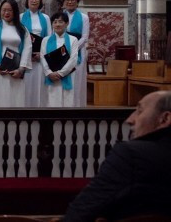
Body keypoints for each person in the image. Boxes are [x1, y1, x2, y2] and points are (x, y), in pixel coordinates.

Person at [64, 91, 171, 221]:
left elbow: (81, 212)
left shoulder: (130, 154)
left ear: (165, 119)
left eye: (139, 111)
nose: (130, 119)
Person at [0, 0, 32, 108]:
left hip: (16, 68)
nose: (6, 13)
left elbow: (27, 48)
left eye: (9, 10)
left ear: (15, 11)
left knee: (16, 96)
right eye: (4, 10)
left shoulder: (22, 29)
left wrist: (21, 69)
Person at [39, 12, 79, 108]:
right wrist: (48, 72)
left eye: (60, 22)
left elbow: (73, 59)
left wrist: (61, 73)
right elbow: (42, 57)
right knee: (52, 100)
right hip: (51, 76)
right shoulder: (45, 40)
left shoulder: (73, 39)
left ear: (66, 23)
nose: (57, 24)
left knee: (68, 100)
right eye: (55, 22)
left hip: (67, 75)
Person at [21, 0, 51, 107]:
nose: (34, 1)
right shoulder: (20, 17)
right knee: (26, 84)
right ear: (27, 2)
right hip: (25, 56)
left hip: (39, 56)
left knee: (39, 83)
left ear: (40, 1)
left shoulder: (45, 18)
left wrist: (42, 53)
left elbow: (48, 38)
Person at [63, 0, 89, 107]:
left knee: (77, 80)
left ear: (77, 2)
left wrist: (73, 48)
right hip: (62, 52)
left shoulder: (84, 17)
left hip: (78, 52)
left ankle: (77, 106)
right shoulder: (61, 17)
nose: (70, 2)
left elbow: (84, 36)